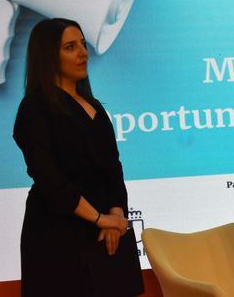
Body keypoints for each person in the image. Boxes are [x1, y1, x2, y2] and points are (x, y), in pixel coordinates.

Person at [13, 18, 143, 297]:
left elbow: (113, 168)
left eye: (83, 44)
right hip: (57, 235)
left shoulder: (95, 107)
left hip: (105, 235)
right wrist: (99, 219)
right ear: (48, 55)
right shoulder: (34, 108)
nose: (83, 53)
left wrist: (115, 216)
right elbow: (49, 179)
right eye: (70, 47)